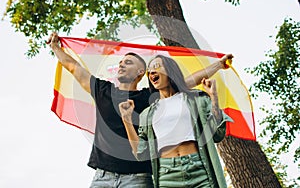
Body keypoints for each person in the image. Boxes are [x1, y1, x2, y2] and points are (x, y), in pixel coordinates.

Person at [47, 32, 233, 188]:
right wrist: (56, 48)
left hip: (138, 178)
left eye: (128, 63)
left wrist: (218, 64)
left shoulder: (149, 99)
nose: (121, 64)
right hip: (102, 177)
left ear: (140, 73)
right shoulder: (103, 90)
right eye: (121, 62)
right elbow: (74, 67)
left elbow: (187, 81)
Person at [119, 55, 233, 188]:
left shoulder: (195, 100)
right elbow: (141, 153)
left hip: (199, 169)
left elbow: (218, 135)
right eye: (149, 71)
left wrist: (214, 97)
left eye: (156, 67)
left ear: (170, 71)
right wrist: (126, 119)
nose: (152, 73)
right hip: (167, 175)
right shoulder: (148, 114)